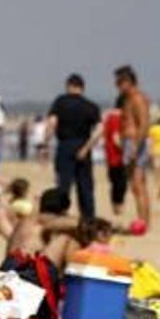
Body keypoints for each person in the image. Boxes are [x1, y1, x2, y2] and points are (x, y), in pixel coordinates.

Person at [45, 73, 101, 218]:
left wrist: (45, 143)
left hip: (65, 144)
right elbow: (100, 130)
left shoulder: (60, 102)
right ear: (82, 88)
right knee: (85, 186)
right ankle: (88, 218)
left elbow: (52, 123)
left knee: (63, 184)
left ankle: (60, 214)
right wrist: (87, 147)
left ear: (69, 86)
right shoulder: (91, 106)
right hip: (83, 144)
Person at [114, 65, 152, 231]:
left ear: (128, 82)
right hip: (130, 142)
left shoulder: (137, 98)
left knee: (138, 184)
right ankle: (142, 220)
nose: (117, 86)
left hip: (135, 141)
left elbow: (144, 123)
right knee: (136, 185)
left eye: (119, 82)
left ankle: (144, 222)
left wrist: (136, 145)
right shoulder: (127, 99)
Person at [82, 97, 126, 216]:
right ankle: (118, 207)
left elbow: (98, 133)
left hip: (110, 156)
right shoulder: (119, 118)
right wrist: (128, 151)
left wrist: (87, 147)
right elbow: (116, 139)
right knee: (121, 183)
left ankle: (116, 206)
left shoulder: (108, 118)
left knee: (115, 182)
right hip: (119, 157)